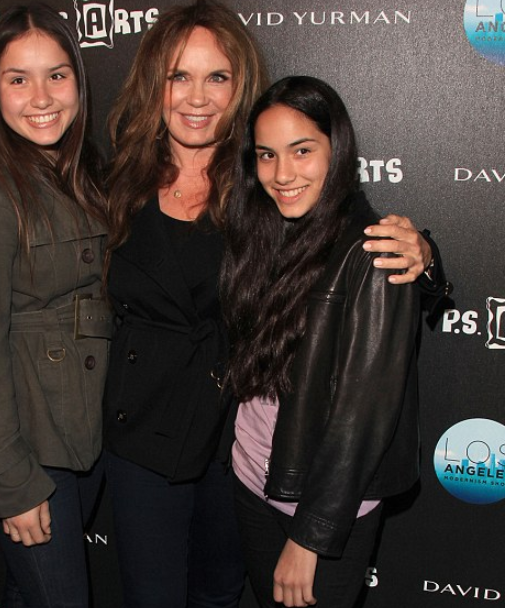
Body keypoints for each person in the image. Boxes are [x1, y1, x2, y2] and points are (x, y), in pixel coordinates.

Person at [103, 2, 439, 608]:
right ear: (154, 84)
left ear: (240, 87)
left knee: (219, 594)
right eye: (179, 76)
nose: (197, 97)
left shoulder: (258, 187)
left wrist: (424, 256)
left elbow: (344, 238)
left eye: (217, 77)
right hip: (146, 437)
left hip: (224, 444)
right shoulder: (119, 183)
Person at [221, 75, 429, 608]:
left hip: (317, 506)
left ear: (337, 151)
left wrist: (310, 536)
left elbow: (362, 417)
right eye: (266, 155)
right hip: (251, 477)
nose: (282, 174)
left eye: (302, 151)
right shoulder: (263, 231)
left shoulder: (376, 252)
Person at [0, 5, 110, 608]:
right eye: (18, 79)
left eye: (57, 75)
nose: (41, 97)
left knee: (27, 593)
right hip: (31, 455)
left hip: (85, 442)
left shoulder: (84, 176)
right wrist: (10, 485)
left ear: (78, 84)